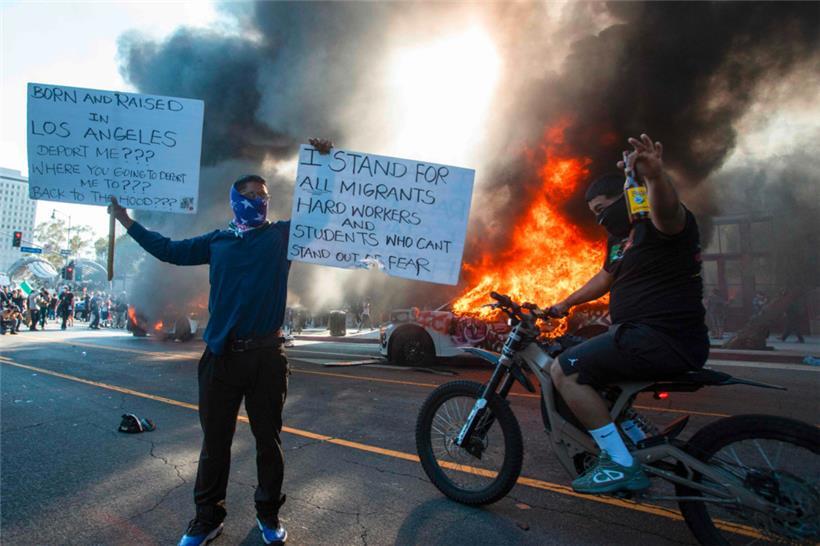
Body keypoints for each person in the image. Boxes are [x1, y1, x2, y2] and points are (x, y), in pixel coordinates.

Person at [109, 139, 333, 546]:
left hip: (267, 357)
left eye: (263, 195)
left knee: (269, 442)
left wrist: (322, 163)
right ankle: (207, 518)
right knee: (215, 445)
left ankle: (269, 516)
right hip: (221, 358)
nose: (257, 200)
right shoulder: (217, 241)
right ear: (235, 200)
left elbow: (319, 214)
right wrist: (126, 221)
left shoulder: (283, 237)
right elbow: (169, 250)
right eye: (249, 195)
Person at [546, 134, 709, 495]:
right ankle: (638, 437)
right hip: (638, 337)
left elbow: (667, 210)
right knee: (590, 361)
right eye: (595, 214)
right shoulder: (623, 240)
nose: (602, 218)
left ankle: (619, 461)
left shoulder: (661, 223)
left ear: (627, 195)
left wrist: (654, 175)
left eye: (605, 207)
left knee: (565, 370)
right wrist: (564, 303)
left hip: (660, 337)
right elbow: (605, 277)